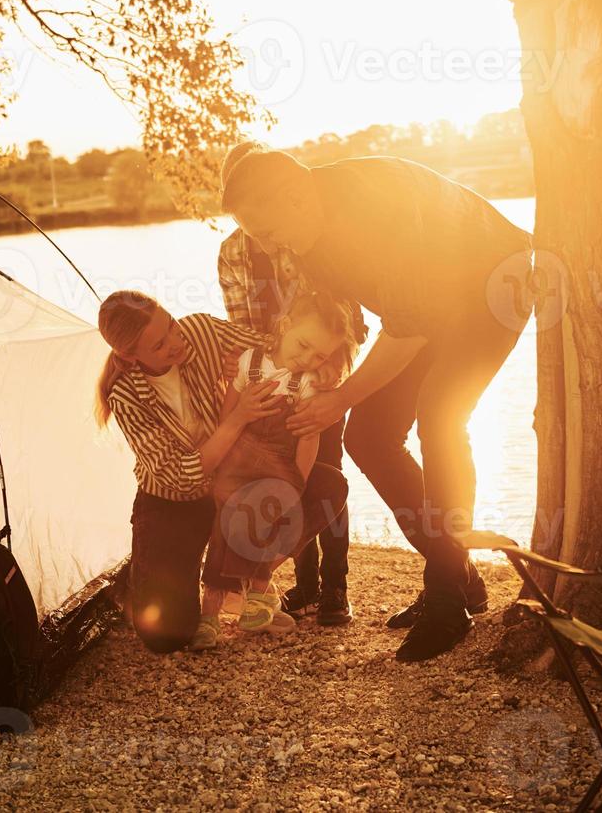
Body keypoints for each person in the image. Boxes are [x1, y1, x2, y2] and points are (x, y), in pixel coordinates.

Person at [222, 149, 533, 662]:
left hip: (495, 284)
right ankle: (458, 576)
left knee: (441, 418)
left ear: (296, 197)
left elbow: (408, 326)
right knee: (367, 436)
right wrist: (324, 366)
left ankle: (446, 600)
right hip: (429, 308)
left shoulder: (372, 208)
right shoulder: (306, 238)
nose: (270, 247)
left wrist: (343, 395)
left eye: (270, 233)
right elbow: (342, 318)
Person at [95, 289, 349, 654]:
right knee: (166, 634)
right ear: (129, 355)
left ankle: (237, 581)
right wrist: (239, 416)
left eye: (170, 326)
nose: (175, 342)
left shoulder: (199, 331)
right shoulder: (125, 396)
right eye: (159, 345)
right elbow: (183, 476)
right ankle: (149, 574)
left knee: (327, 487)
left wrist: (323, 367)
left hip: (236, 484)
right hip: (174, 500)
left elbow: (274, 345)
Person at [217, 143, 367, 626]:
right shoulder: (230, 253)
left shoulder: (307, 239)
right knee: (281, 475)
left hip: (322, 370)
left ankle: (335, 589)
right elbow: (239, 322)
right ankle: (302, 584)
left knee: (326, 468)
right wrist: (270, 361)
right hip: (272, 370)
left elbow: (345, 315)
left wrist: (325, 370)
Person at [193, 289, 362, 650]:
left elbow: (308, 438)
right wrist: (223, 464)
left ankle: (256, 594)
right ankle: (210, 612)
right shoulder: (248, 364)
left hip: (279, 464)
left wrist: (296, 485)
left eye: (319, 355)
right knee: (228, 518)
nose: (306, 359)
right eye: (302, 345)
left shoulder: (309, 383)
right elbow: (229, 412)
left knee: (272, 514)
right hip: (239, 457)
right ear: (285, 326)